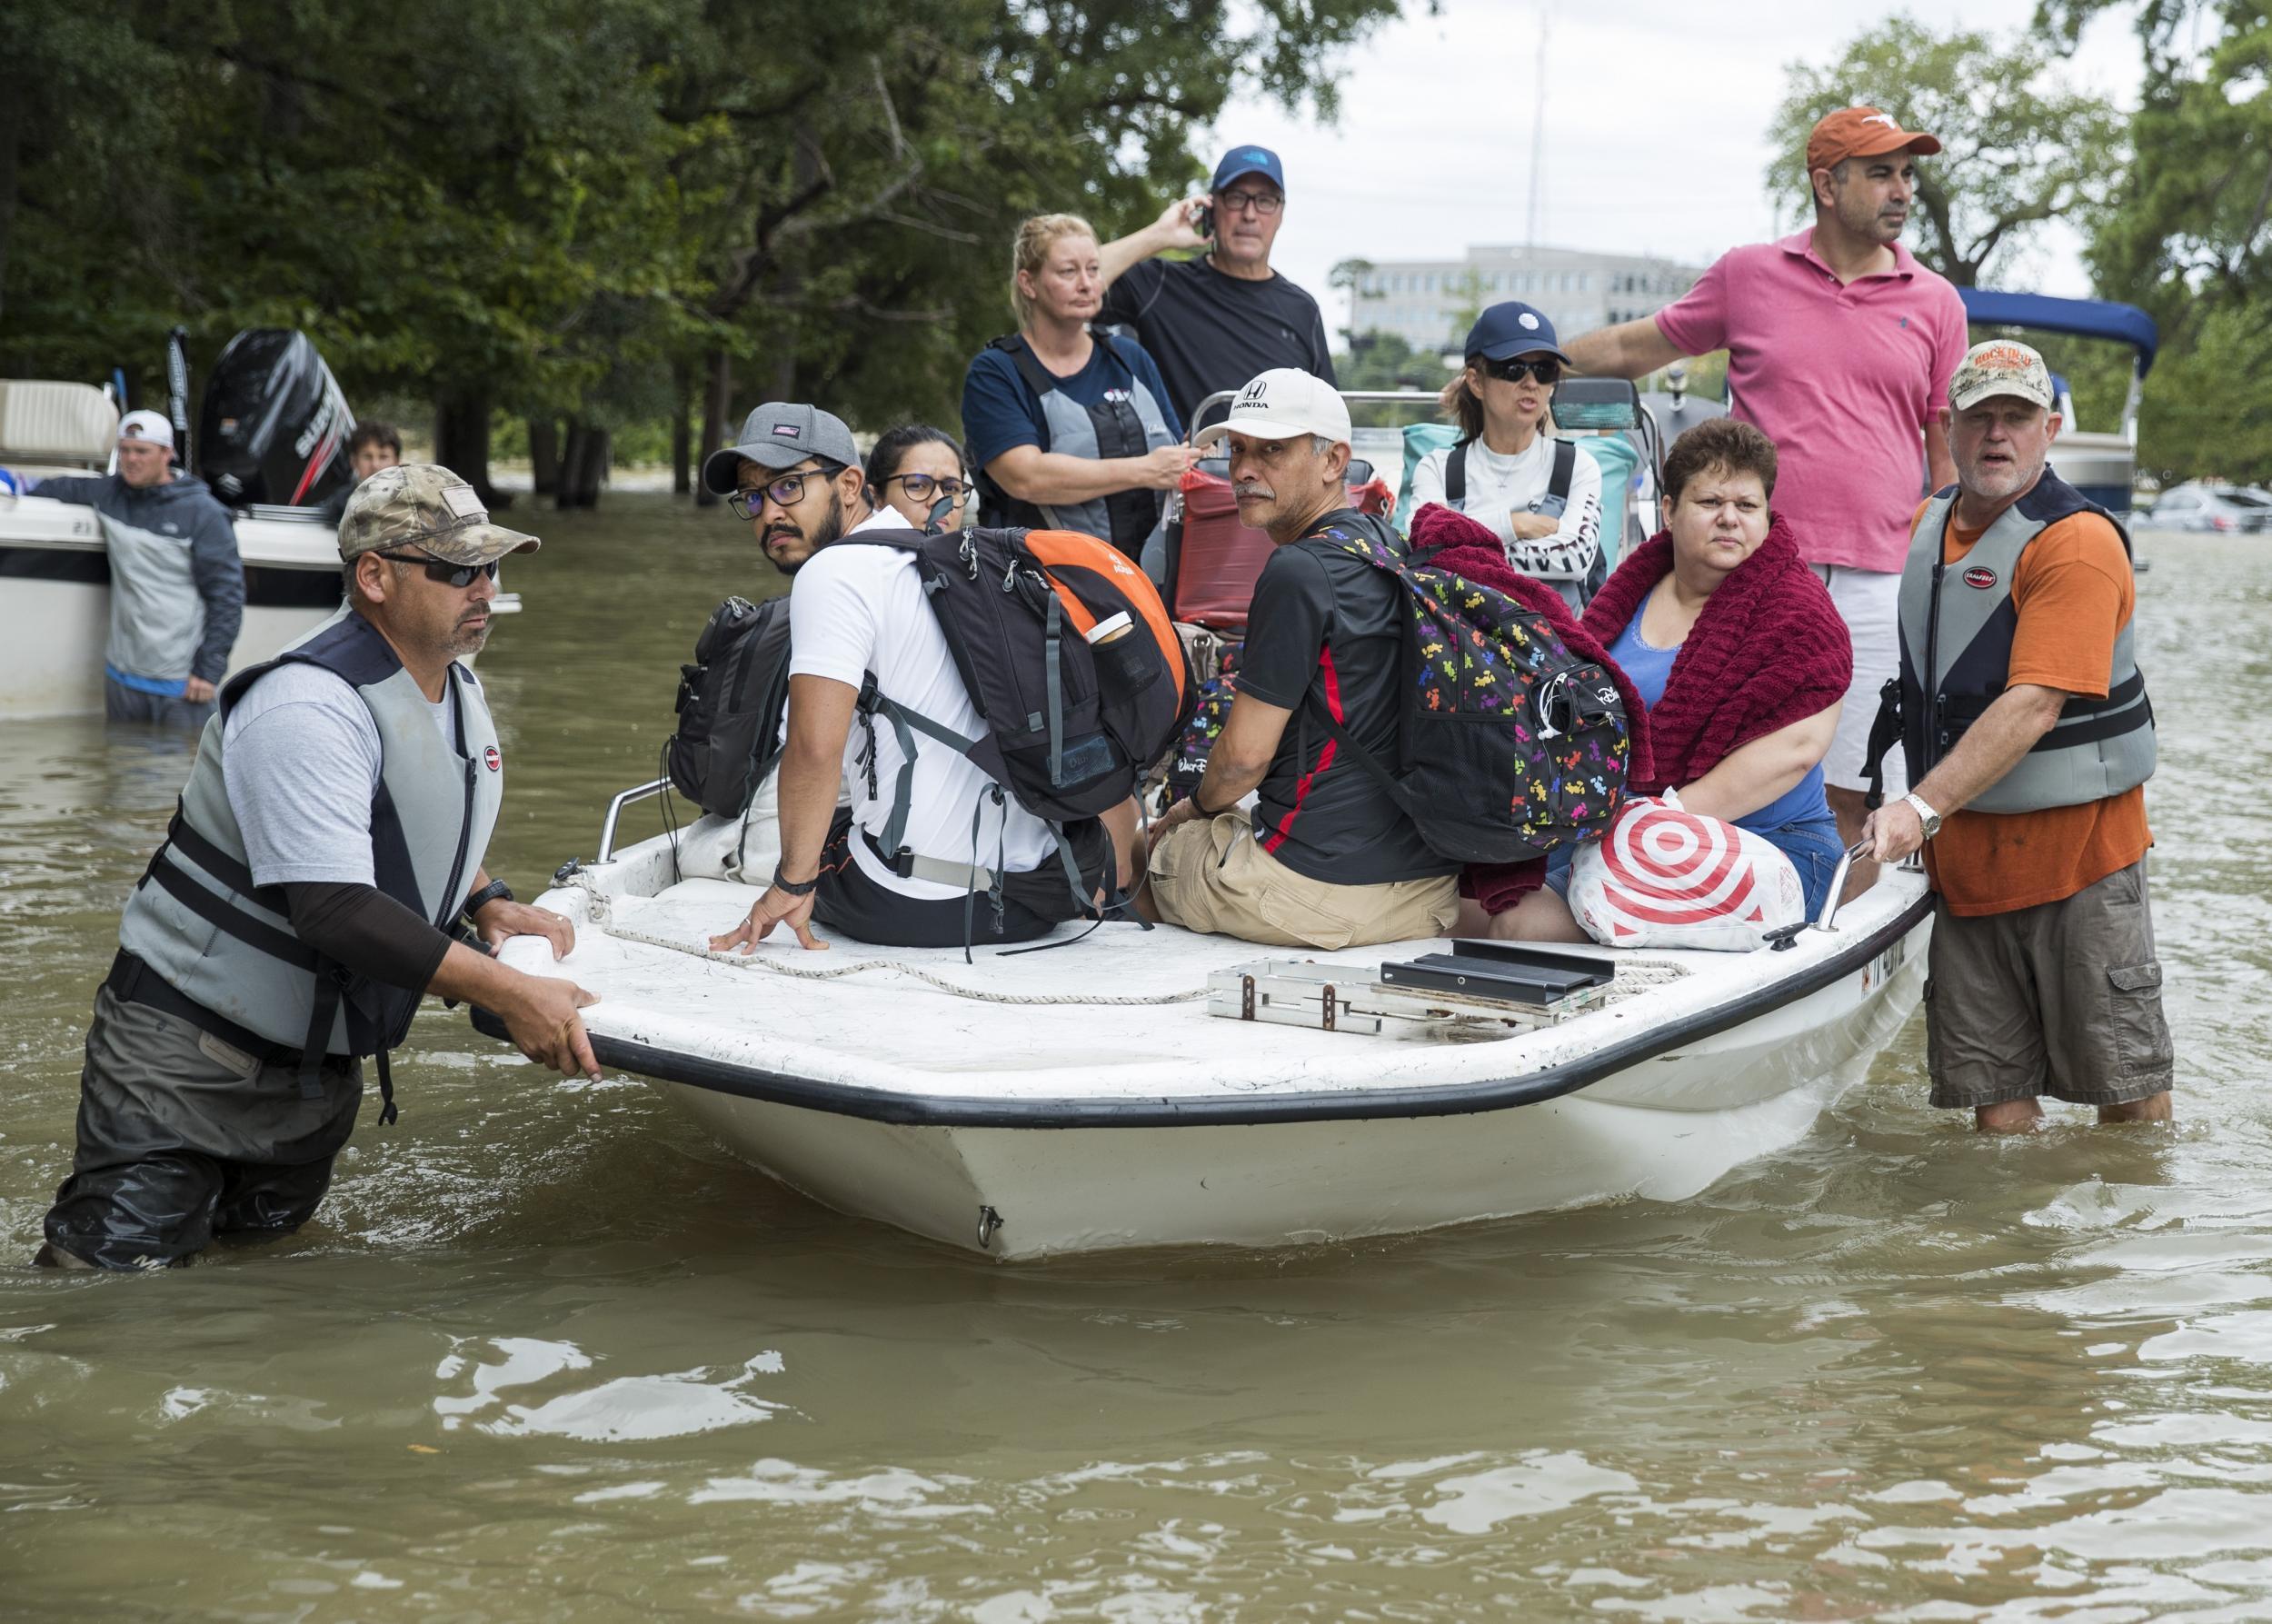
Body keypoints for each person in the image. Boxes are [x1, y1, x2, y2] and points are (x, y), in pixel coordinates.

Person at [35, 464, 603, 1270]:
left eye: (490, 566)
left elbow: (399, 817)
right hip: (182, 1063)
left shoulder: (449, 683)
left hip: (309, 1078)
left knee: (259, 1293)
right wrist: (514, 993)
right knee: (108, 1297)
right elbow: (332, 903)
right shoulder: (307, 703)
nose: (481, 587)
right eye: (454, 568)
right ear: (373, 576)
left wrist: (486, 899)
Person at [1565, 105, 1968, 874]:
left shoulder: (1937, 302)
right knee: (1712, 759)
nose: (1902, 190)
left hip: (1880, 581)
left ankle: (1817, 955)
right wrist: (1520, 363)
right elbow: (1632, 346)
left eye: (1908, 174)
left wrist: (1951, 580)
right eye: (1881, 172)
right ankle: (1685, 904)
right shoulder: (1748, 274)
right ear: (1826, 183)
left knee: (1852, 791)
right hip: (1742, 569)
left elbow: (1944, 459)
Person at [1861, 340, 2168, 1133]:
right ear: (1950, 428)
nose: (1998, 434)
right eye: (1980, 416)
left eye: (2018, 417)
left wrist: (1919, 806)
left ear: (2051, 428)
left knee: (2128, 1099)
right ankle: (2011, 1256)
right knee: (1995, 1124)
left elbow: (2033, 702)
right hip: (1970, 872)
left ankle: (2122, 1251)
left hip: (2083, 869)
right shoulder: (1930, 525)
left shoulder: (2077, 543)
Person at [702, 403, 1130, 954]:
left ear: (851, 484)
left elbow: (813, 749)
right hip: (1039, 896)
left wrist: (791, 884)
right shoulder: (950, 560)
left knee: (793, 839)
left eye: (787, 487)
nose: (767, 514)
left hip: (926, 909)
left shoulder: (831, 574)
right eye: (752, 497)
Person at [1476, 419, 1850, 942]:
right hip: (1616, 831)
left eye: (1747, 506)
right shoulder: (1629, 594)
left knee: (1521, 926)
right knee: (1465, 904)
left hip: (1767, 847)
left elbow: (1798, 750)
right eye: (1709, 502)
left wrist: (1655, 822)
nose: (1729, 519)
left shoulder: (1801, 615)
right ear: (1670, 510)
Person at [1141, 369, 1460, 949]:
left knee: (1135, 851)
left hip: (1319, 893)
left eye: (1272, 451)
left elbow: (1241, 762)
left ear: (1334, 461)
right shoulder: (1385, 545)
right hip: (1428, 890)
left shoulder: (1297, 572)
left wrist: (1187, 812)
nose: (1242, 470)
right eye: (1236, 450)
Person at [964, 214, 1192, 569]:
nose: (1087, 284)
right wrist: (1145, 470)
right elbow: (1026, 477)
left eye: (1093, 269)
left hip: (1150, 584)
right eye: (1068, 272)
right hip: (1044, 589)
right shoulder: (995, 372)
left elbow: (1177, 460)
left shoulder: (1129, 356)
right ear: (1028, 283)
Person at [1096, 146, 1338, 433]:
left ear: (1280, 213)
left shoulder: (1302, 309)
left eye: (1265, 201)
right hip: (1187, 474)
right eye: (1236, 198)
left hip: (1276, 477)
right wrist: (1159, 236)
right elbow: (1064, 282)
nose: (1249, 214)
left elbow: (1329, 423)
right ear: (1212, 207)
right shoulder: (1159, 284)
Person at [31, 408, 244, 730]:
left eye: (142, 451)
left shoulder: (205, 513)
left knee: (180, 775)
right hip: (121, 677)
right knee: (120, 771)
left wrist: (208, 670)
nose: (131, 459)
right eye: (125, 450)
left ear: (166, 454)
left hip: (181, 681)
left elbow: (227, 598)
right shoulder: (109, 493)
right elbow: (53, 489)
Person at [1409, 302, 1605, 611]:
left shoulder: (1579, 466)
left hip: (1557, 650)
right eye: (1512, 368)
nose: (1530, 383)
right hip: (1463, 648)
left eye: (1544, 371)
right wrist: (1515, 524)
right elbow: (1421, 548)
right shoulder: (1437, 468)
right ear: (1476, 382)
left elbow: (1575, 559)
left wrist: (1464, 544)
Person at [867, 423, 972, 533]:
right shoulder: (853, 549)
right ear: (874, 498)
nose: (939, 500)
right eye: (917, 485)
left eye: (951, 488)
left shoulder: (981, 546)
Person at [318, 420, 404, 525]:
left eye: (383, 457)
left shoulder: (410, 500)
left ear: (397, 462)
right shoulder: (340, 504)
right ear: (353, 461)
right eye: (367, 457)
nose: (375, 464)